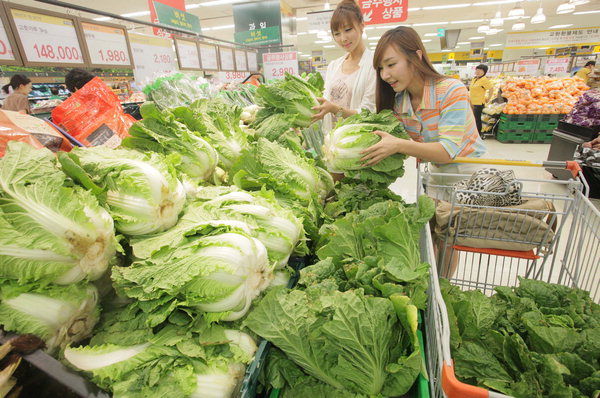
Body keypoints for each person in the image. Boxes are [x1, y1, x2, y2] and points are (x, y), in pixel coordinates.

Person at [361, 26, 485, 168]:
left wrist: (398, 145)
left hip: (469, 172)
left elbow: (447, 151)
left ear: (416, 57)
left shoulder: (451, 90)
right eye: (381, 68)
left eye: (391, 64)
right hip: (434, 170)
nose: (385, 75)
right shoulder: (399, 102)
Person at [311, 0, 376, 132]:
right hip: (332, 142)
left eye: (348, 30)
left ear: (361, 26)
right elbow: (325, 103)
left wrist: (336, 110)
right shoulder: (334, 66)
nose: (343, 38)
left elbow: (368, 113)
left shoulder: (374, 63)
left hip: (358, 142)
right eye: (337, 33)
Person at [469, 64, 493, 135]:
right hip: (471, 102)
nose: (478, 71)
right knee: (472, 119)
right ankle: (472, 132)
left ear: (484, 72)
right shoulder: (474, 79)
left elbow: (491, 89)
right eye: (477, 69)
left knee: (477, 119)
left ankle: (478, 134)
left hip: (478, 103)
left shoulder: (484, 80)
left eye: (480, 70)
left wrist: (488, 98)